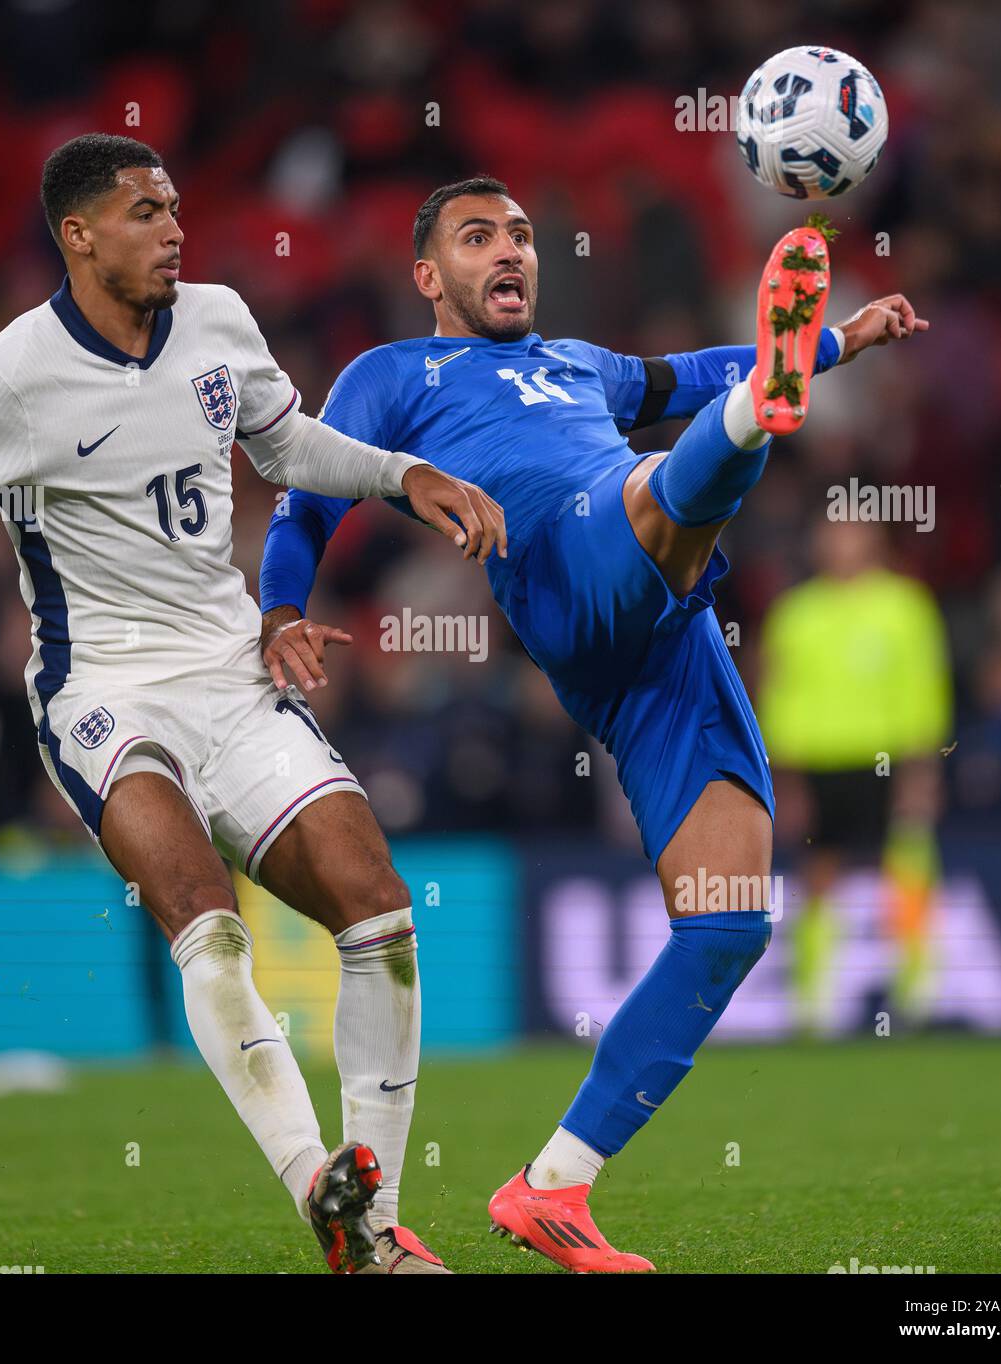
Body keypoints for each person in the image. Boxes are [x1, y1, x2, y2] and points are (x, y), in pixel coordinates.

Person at [0, 136, 508, 1276]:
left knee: (380, 911)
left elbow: (286, 444)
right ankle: (317, 1177)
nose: (172, 228)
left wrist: (399, 474)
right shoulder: (7, 377)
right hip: (102, 691)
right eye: (143, 212)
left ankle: (375, 1234)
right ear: (78, 235)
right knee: (205, 916)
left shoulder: (216, 320)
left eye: (173, 206)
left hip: (228, 670)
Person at [258, 175, 927, 1271]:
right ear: (428, 276)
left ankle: (553, 1182)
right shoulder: (391, 376)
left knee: (727, 920)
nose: (509, 251)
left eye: (520, 234)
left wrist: (841, 339)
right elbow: (304, 498)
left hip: (667, 647)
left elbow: (688, 372)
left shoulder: (579, 364)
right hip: (577, 577)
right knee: (665, 487)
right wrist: (282, 609)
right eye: (477, 239)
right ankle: (761, 418)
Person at [759, 519, 951, 1033]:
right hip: (820, 763)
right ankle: (814, 1000)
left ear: (874, 542)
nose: (841, 544)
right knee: (819, 873)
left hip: (886, 758)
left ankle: (918, 991)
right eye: (832, 535)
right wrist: (788, 779)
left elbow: (923, 690)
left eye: (851, 533)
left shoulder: (906, 607)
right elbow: (780, 698)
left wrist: (921, 769)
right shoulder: (796, 613)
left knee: (907, 866)